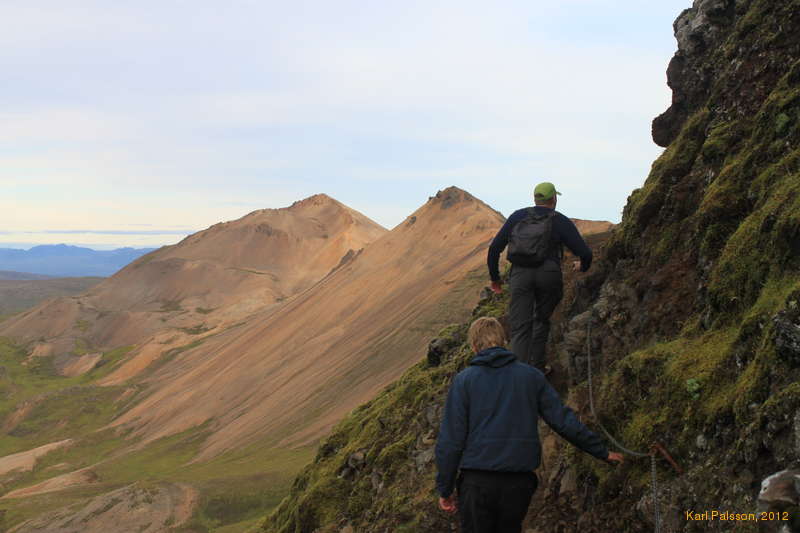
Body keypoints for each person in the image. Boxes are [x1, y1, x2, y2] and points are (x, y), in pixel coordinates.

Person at [435, 317, 623, 533]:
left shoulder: (464, 381)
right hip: (518, 483)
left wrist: (445, 488)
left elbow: (451, 441)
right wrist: (601, 451)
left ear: (474, 346)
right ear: (504, 341)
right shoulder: (531, 377)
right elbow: (563, 421)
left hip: (477, 483)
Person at [487, 182, 593, 371]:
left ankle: (518, 375)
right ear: (554, 199)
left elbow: (494, 248)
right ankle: (537, 369)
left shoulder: (518, 217)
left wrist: (495, 278)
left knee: (520, 326)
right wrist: (582, 266)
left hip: (520, 275)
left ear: (535, 199)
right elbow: (585, 252)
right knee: (541, 320)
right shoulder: (559, 220)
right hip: (548, 274)